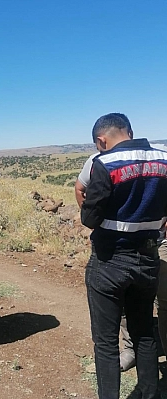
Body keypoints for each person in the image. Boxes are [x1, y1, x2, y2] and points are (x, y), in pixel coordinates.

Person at [81, 113, 167, 399]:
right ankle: (148, 392)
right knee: (143, 331)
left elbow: (90, 217)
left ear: (100, 141)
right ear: (129, 131)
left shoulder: (103, 163)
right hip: (148, 258)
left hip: (110, 260)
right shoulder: (164, 158)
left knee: (105, 342)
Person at [74, 116, 138, 372]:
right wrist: (96, 221)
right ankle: (134, 349)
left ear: (101, 140)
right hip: (128, 246)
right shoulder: (97, 162)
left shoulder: (156, 156)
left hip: (143, 244)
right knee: (132, 302)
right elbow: (80, 188)